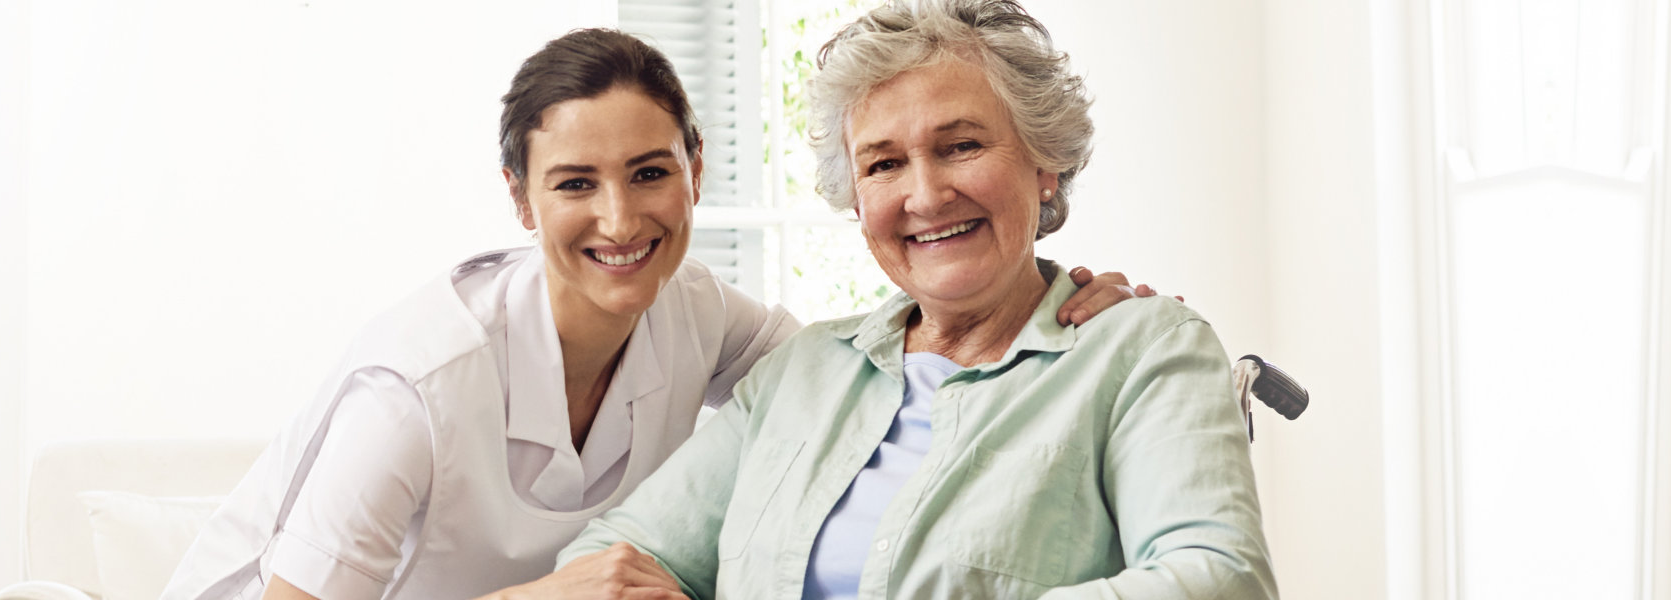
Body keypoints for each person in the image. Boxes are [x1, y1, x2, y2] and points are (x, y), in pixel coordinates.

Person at [162, 27, 1155, 600]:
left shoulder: (698, 313)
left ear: (697, 172)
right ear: (519, 200)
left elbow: (867, 369)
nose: (619, 219)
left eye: (649, 174)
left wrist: (1064, 306)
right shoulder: (414, 389)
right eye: (574, 185)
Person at [544, 1, 1277, 598]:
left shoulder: (1143, 349)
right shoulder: (799, 372)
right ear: (857, 197)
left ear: (1043, 162)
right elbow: (611, 558)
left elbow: (1218, 578)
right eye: (884, 163)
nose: (925, 196)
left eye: (961, 146)